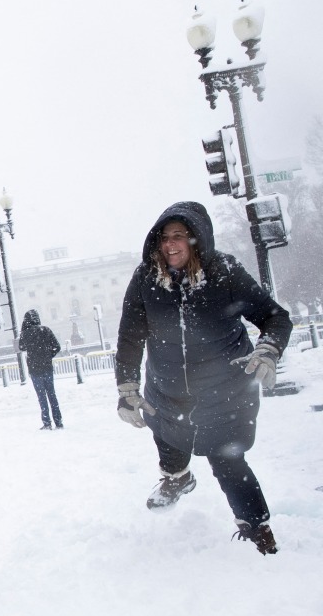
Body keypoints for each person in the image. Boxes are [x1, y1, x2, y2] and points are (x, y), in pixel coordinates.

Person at [115, 201, 291, 554]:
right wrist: (127, 388)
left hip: (223, 390)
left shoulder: (224, 271)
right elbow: (131, 335)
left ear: (196, 239)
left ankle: (257, 528)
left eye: (179, 235)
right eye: (164, 237)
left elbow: (275, 318)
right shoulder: (146, 277)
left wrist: (267, 350)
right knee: (167, 437)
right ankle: (177, 479)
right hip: (166, 388)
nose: (170, 244)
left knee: (226, 459)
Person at [17, 309, 64, 429]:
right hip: (47, 368)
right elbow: (57, 347)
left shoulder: (26, 333)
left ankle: (47, 422)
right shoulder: (46, 330)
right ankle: (58, 421)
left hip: (34, 369)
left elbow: (21, 347)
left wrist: (24, 329)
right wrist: (48, 356)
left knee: (41, 397)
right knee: (52, 395)